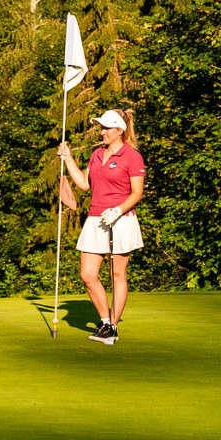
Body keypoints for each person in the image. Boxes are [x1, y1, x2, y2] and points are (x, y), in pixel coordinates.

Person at [58, 108, 145, 344]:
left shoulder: (132, 157)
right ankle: (105, 321)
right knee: (87, 274)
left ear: (120, 130)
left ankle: (113, 326)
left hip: (121, 219)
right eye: (102, 127)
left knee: (117, 274)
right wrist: (68, 159)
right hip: (96, 219)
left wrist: (118, 210)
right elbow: (85, 184)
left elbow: (137, 193)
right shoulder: (97, 154)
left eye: (107, 127)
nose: (102, 131)